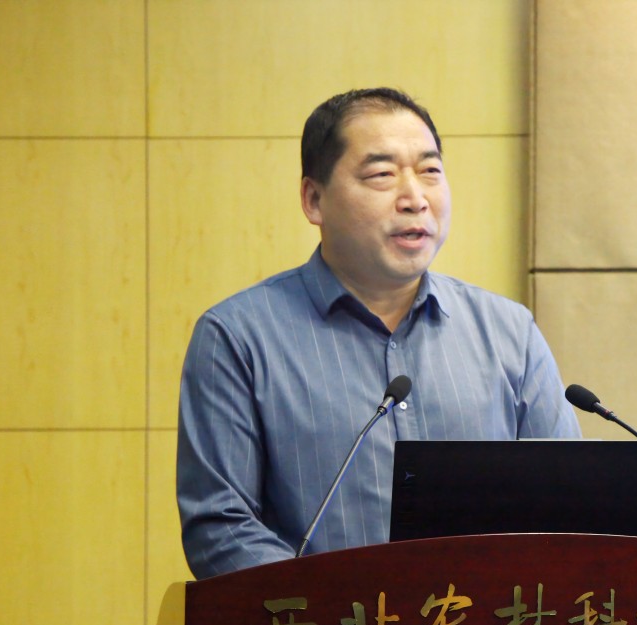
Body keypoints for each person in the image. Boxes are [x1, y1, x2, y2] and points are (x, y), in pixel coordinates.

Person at [177, 88, 580, 579]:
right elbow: (221, 528)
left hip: (485, 622)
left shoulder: (509, 333)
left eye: (430, 171)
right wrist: (347, 609)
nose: (415, 199)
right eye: (382, 175)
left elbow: (567, 509)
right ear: (314, 199)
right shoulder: (237, 338)